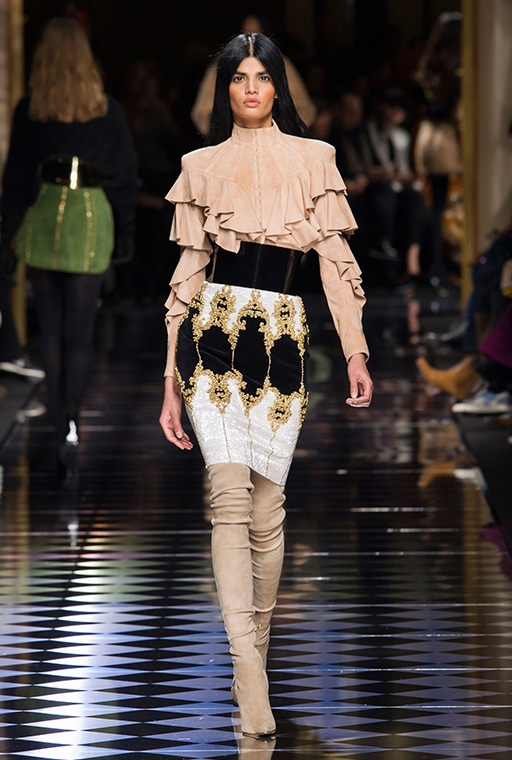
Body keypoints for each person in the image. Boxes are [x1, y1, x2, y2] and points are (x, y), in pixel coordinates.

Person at [159, 33, 373, 738]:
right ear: (225, 89)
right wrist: (169, 379)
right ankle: (249, 672)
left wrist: (356, 352)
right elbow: (187, 277)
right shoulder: (199, 167)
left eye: (261, 76)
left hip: (281, 337)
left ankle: (256, 653)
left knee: (266, 511)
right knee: (227, 498)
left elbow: (336, 265)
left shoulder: (315, 161)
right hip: (213, 334)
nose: (250, 88)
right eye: (238, 77)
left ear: (278, 87)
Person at [0, 17, 138, 468]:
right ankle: (71, 419)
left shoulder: (30, 110)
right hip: (90, 217)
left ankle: (58, 418)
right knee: (79, 329)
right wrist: (125, 236)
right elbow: (124, 178)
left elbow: (17, 181)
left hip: (44, 214)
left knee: (51, 328)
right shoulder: (107, 110)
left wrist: (7, 238)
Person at [190, 14, 317, 136]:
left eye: (263, 78)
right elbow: (201, 113)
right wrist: (222, 136)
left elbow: (305, 108)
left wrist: (287, 136)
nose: (251, 89)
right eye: (239, 79)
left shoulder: (280, 63)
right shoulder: (223, 64)